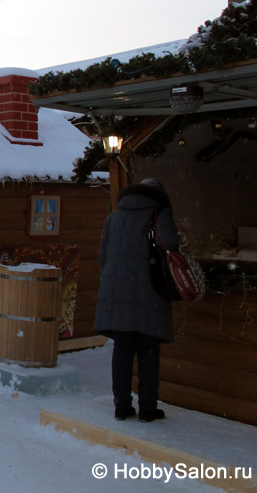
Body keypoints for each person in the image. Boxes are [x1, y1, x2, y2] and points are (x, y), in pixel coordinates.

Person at [94, 178, 178, 423]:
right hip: (148, 292)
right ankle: (148, 409)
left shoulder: (114, 217)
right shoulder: (158, 213)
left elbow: (103, 256)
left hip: (115, 292)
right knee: (148, 351)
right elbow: (170, 244)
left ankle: (122, 406)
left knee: (122, 350)